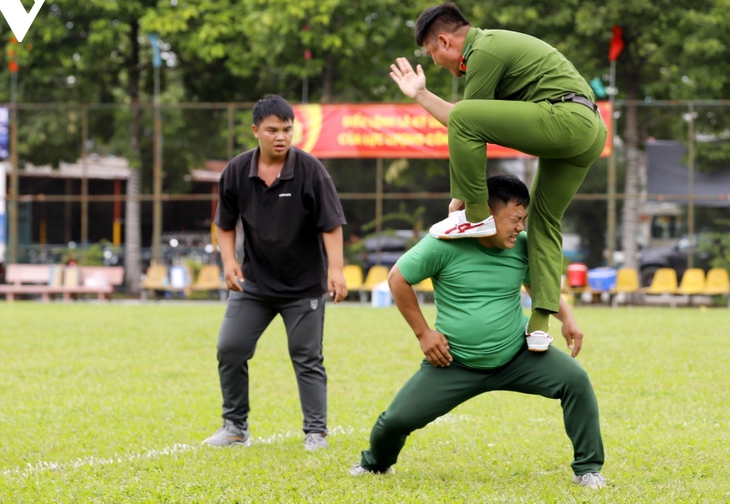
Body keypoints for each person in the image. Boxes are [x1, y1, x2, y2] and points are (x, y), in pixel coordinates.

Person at [350, 174, 606, 489]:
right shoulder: (444, 244)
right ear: (486, 213)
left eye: (523, 219)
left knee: (575, 381)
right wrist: (423, 334)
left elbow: (538, 284)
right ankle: (374, 464)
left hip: (518, 355)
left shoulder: (523, 246)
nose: (520, 227)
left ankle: (588, 469)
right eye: (515, 219)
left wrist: (566, 317)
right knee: (396, 421)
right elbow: (397, 279)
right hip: (453, 362)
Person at [388, 2, 607, 350]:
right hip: (590, 131)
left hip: (566, 119)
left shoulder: (483, 50)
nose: (434, 63)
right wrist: (420, 94)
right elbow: (466, 121)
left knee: (467, 118)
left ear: (444, 42)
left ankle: (477, 218)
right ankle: (539, 325)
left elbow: (463, 120)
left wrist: (461, 203)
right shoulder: (489, 49)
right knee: (543, 221)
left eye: (431, 53)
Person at [203, 94, 348, 451]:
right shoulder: (236, 171)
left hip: (304, 287)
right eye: (272, 130)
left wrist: (338, 270)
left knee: (306, 356)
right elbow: (224, 223)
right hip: (255, 283)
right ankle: (234, 427)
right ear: (256, 131)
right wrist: (228, 261)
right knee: (230, 348)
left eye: (287, 129)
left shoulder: (310, 169)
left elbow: (331, 224)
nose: (281, 137)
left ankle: (316, 432)